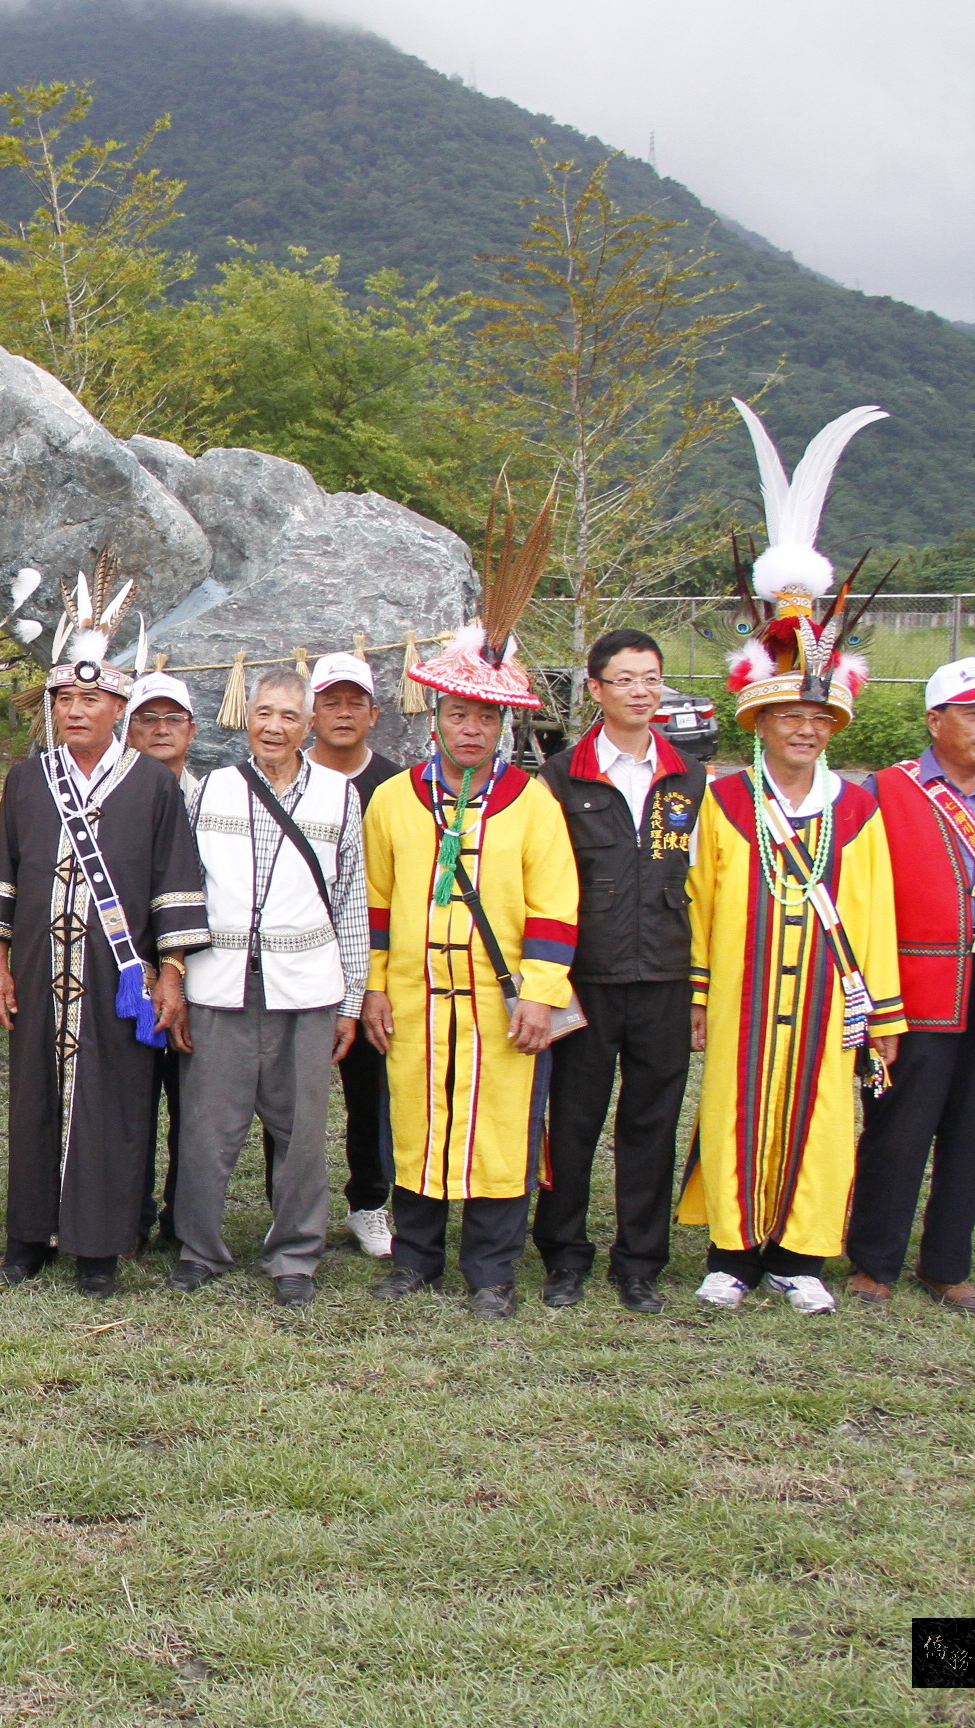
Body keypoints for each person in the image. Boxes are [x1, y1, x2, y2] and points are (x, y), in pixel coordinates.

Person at [683, 400, 905, 1315]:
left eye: (817, 720)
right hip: (740, 992)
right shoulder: (727, 801)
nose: (804, 730)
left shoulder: (857, 812)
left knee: (822, 1121)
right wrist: (699, 996)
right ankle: (734, 1254)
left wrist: (880, 1011)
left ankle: (801, 1260)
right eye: (788, 718)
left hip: (823, 997)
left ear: (830, 726)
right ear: (763, 722)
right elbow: (699, 899)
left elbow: (876, 911)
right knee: (733, 1112)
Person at [359, 518, 578, 1319]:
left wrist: (541, 993)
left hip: (500, 1000)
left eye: (486, 719)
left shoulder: (532, 803)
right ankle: (414, 1259)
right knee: (415, 1121)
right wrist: (377, 987)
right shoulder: (393, 800)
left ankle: (490, 1270)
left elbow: (557, 906)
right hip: (416, 998)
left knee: (498, 1131)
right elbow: (378, 902)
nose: (471, 729)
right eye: (459, 715)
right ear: (437, 717)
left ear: (501, 727)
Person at [0, 589, 208, 1297]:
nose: (77, 711)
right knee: (34, 1095)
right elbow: (2, 877)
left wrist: (169, 972)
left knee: (117, 1100)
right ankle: (28, 1240)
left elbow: (173, 880)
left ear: (117, 708)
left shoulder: (151, 788)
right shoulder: (27, 779)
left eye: (92, 701)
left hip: (117, 972)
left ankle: (100, 1245)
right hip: (40, 968)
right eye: (65, 700)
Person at [170, 667, 366, 1309]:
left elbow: (352, 904)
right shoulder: (211, 790)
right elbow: (184, 888)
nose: (274, 726)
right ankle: (200, 1248)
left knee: (303, 1132)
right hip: (218, 985)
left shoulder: (339, 796)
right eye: (264, 713)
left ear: (307, 724)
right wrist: (174, 973)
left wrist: (352, 1000)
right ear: (245, 718)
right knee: (205, 1129)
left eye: (288, 715)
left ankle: (294, 1256)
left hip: (305, 989)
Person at [534, 629, 704, 1313]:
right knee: (572, 1122)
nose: (641, 691)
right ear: (596, 689)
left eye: (651, 678)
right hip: (586, 980)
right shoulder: (561, 775)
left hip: (663, 977)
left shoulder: (690, 777)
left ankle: (639, 1262)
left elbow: (704, 884)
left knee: (650, 1122)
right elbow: (545, 882)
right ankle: (564, 1256)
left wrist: (699, 986)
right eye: (625, 679)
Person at [847, 657, 975, 1313]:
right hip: (915, 996)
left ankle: (946, 1264)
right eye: (974, 713)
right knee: (898, 1131)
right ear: (935, 720)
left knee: (974, 1135)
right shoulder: (885, 792)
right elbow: (860, 896)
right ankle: (874, 1261)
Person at [304, 652, 404, 1260]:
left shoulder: (394, 787)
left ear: (374, 712)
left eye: (354, 703)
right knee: (292, 1092)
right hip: (300, 958)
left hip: (370, 959)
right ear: (311, 712)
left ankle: (369, 1202)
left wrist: (375, 976)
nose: (342, 713)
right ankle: (292, 1206)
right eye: (330, 702)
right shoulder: (284, 775)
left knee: (370, 1091)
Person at [122, 668, 197, 1253]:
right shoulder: (111, 800)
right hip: (129, 976)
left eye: (173, 718)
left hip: (204, 971)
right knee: (132, 1098)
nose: (161, 729)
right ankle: (132, 1210)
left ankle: (185, 1214)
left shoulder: (219, 795)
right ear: (128, 729)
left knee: (194, 1103)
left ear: (192, 730)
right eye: (148, 718)